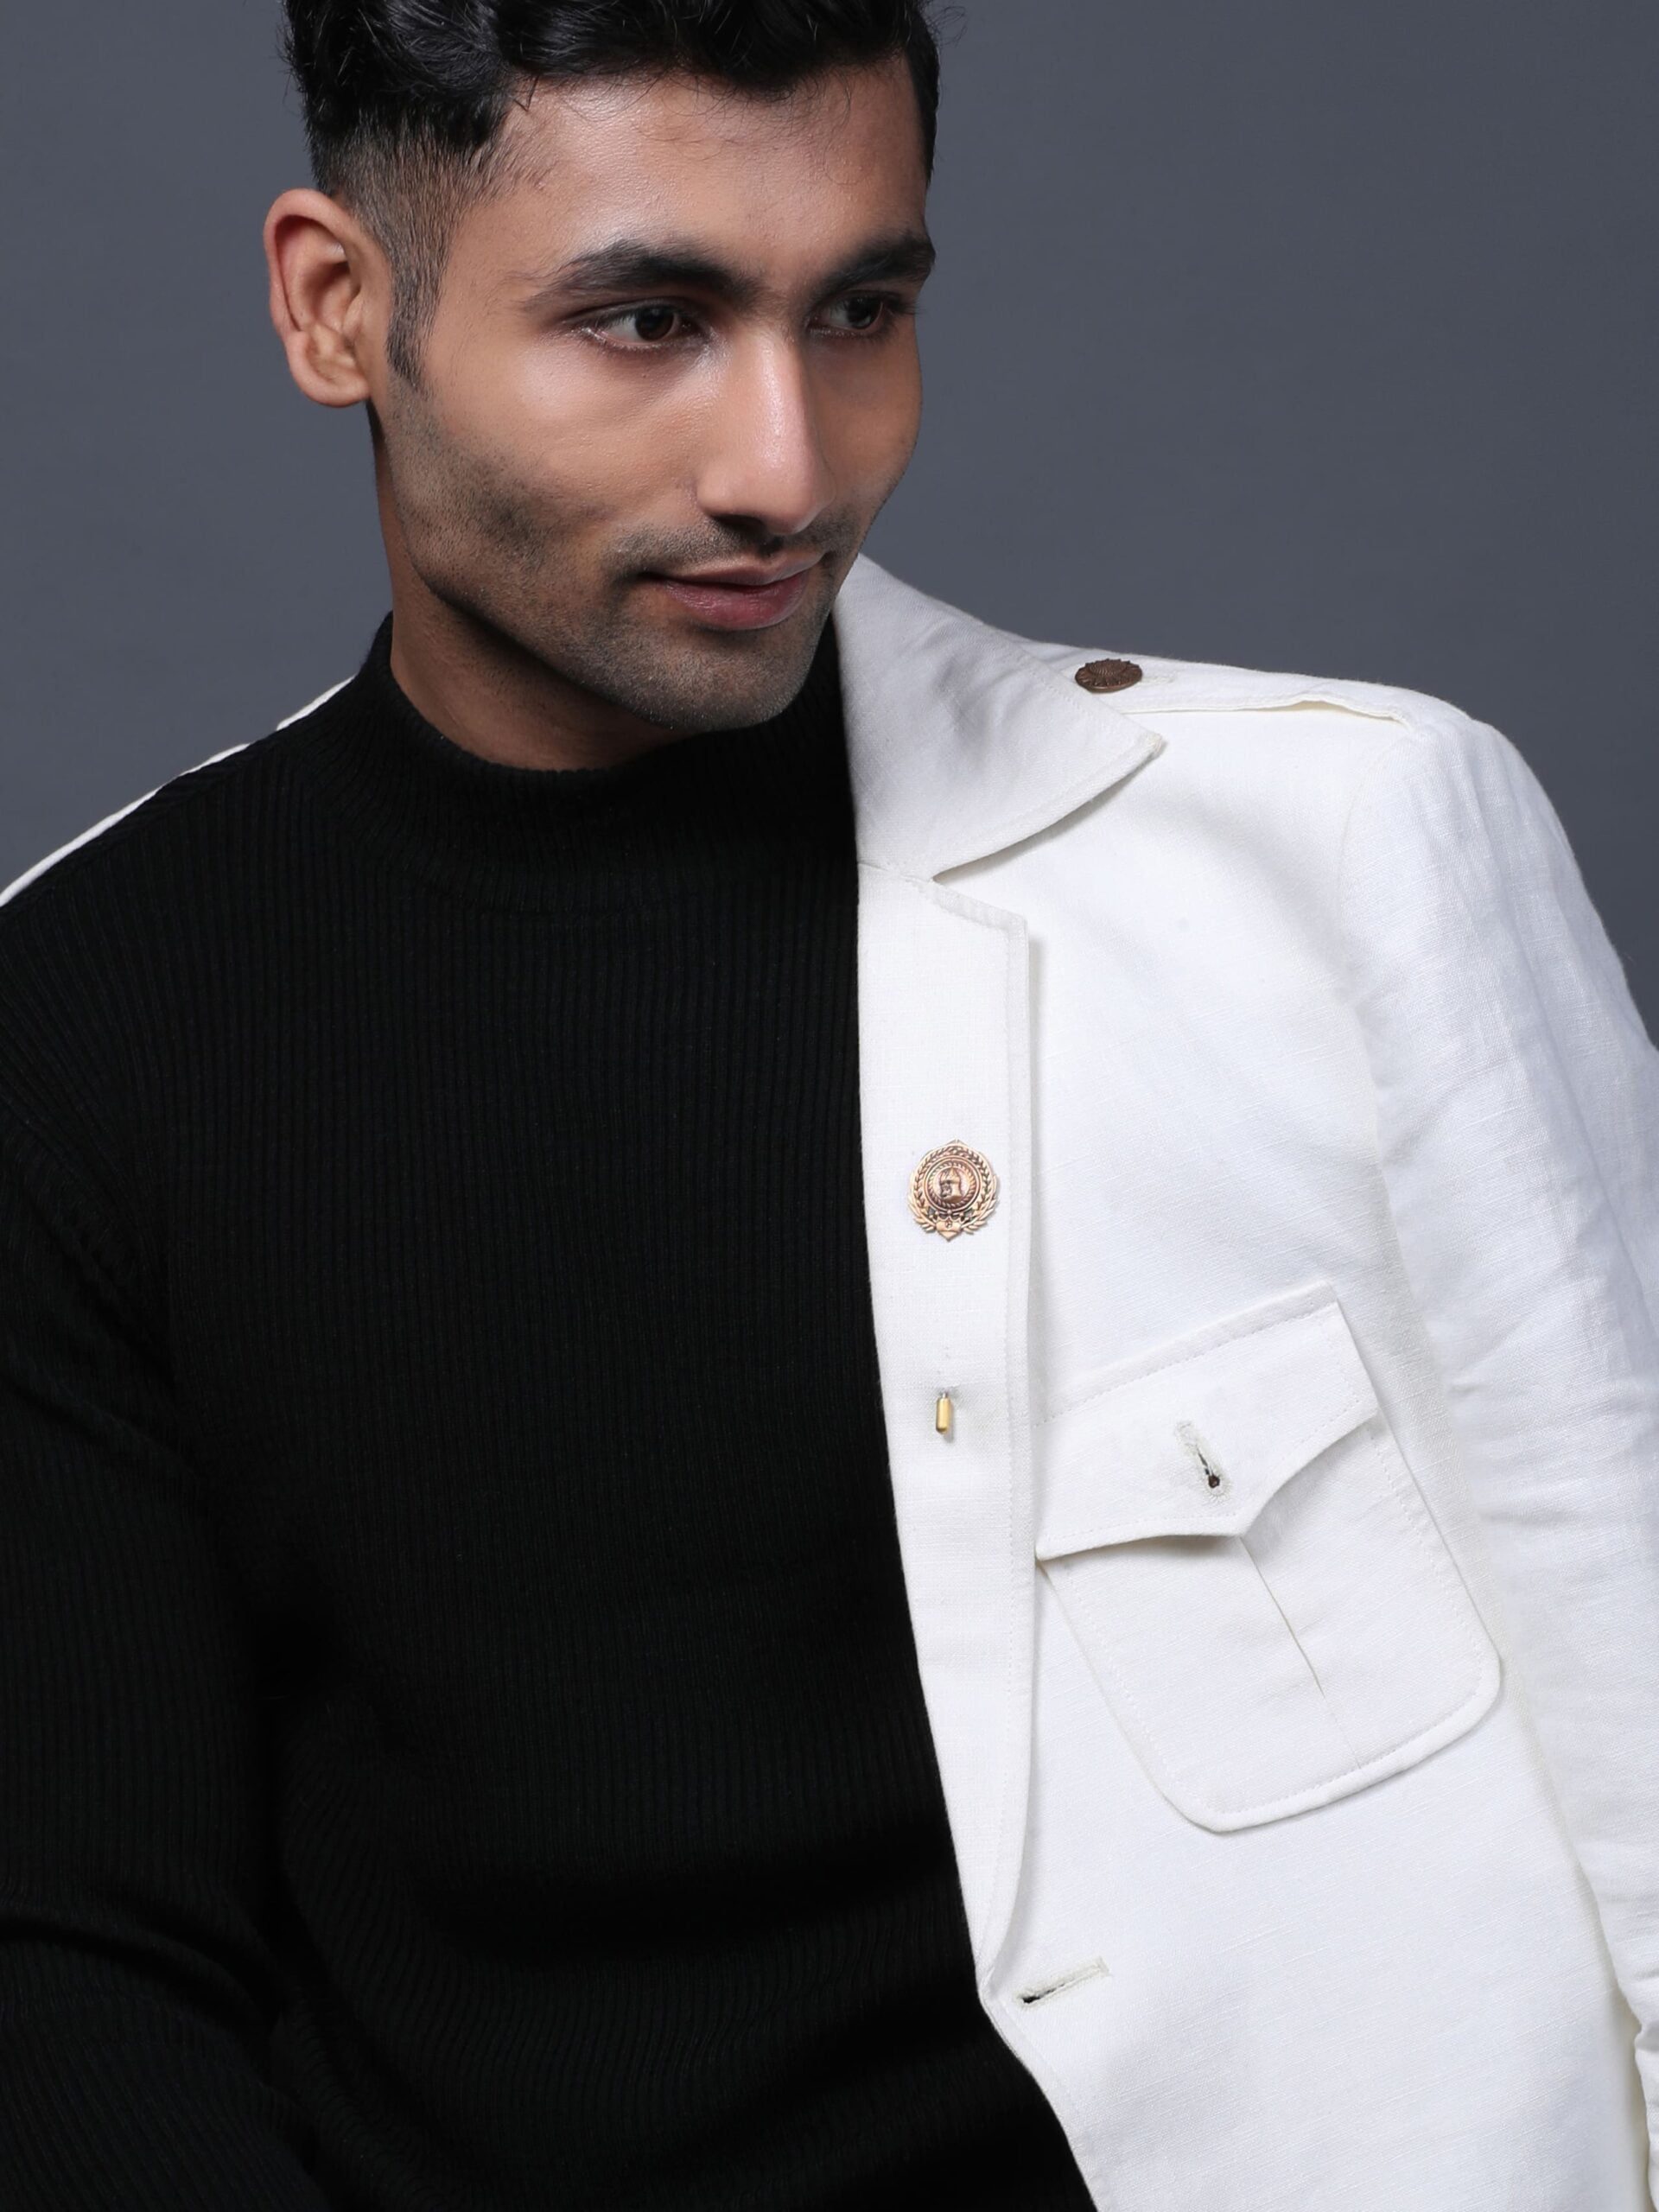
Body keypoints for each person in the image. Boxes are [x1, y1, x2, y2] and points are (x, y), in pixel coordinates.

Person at [1, 3, 1655, 2208]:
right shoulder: (81, 1024)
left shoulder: (1338, 852)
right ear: (335, 307)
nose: (788, 467)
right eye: (648, 320)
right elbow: (79, 1970)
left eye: (862, 309)